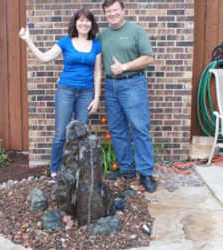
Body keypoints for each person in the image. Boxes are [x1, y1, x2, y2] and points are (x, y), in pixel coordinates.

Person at [19, 9, 102, 183]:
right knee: (60, 134)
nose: (84, 23)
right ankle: (55, 170)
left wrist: (96, 97)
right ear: (75, 23)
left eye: (87, 20)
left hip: (86, 93)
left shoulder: (96, 45)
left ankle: (76, 169)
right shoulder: (65, 41)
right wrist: (28, 40)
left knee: (80, 134)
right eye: (80, 20)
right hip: (66, 91)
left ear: (92, 24)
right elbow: (44, 58)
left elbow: (97, 73)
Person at [97, 0, 156, 192]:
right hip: (111, 86)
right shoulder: (102, 36)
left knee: (139, 128)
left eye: (115, 10)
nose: (112, 14)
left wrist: (124, 66)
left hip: (133, 84)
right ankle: (127, 169)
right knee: (117, 129)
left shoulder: (135, 31)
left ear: (123, 10)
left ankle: (146, 173)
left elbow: (148, 57)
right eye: (108, 11)